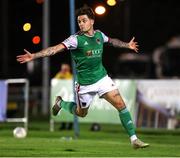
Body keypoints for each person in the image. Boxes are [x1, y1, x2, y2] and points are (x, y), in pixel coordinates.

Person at [16, 6, 149, 149]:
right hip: (84, 84)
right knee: (81, 113)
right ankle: (60, 103)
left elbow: (111, 41)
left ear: (92, 21)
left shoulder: (99, 35)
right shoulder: (75, 39)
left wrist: (127, 45)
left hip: (102, 78)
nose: (81, 24)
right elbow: (54, 49)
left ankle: (134, 139)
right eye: (79, 21)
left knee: (121, 105)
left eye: (84, 20)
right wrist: (34, 56)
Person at [54, 63, 73, 130]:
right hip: (62, 96)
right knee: (62, 110)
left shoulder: (70, 75)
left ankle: (70, 125)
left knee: (70, 110)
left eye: (65, 69)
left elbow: (70, 81)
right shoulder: (59, 75)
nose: (64, 70)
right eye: (63, 69)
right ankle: (63, 125)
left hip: (69, 96)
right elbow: (55, 80)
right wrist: (61, 73)